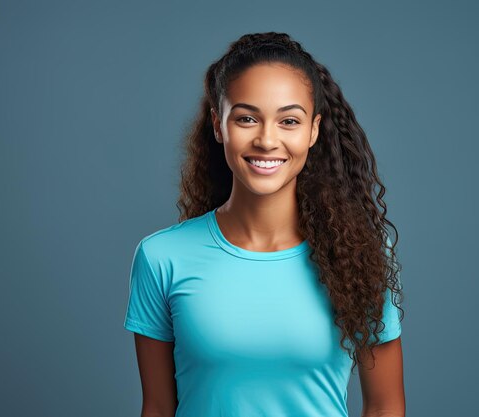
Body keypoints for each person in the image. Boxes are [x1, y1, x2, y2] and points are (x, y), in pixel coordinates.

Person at [123, 32, 406, 417]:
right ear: (218, 125)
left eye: (289, 120)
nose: (267, 139)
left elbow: (385, 405)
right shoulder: (161, 257)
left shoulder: (361, 254)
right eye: (246, 118)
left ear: (314, 130)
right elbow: (157, 408)